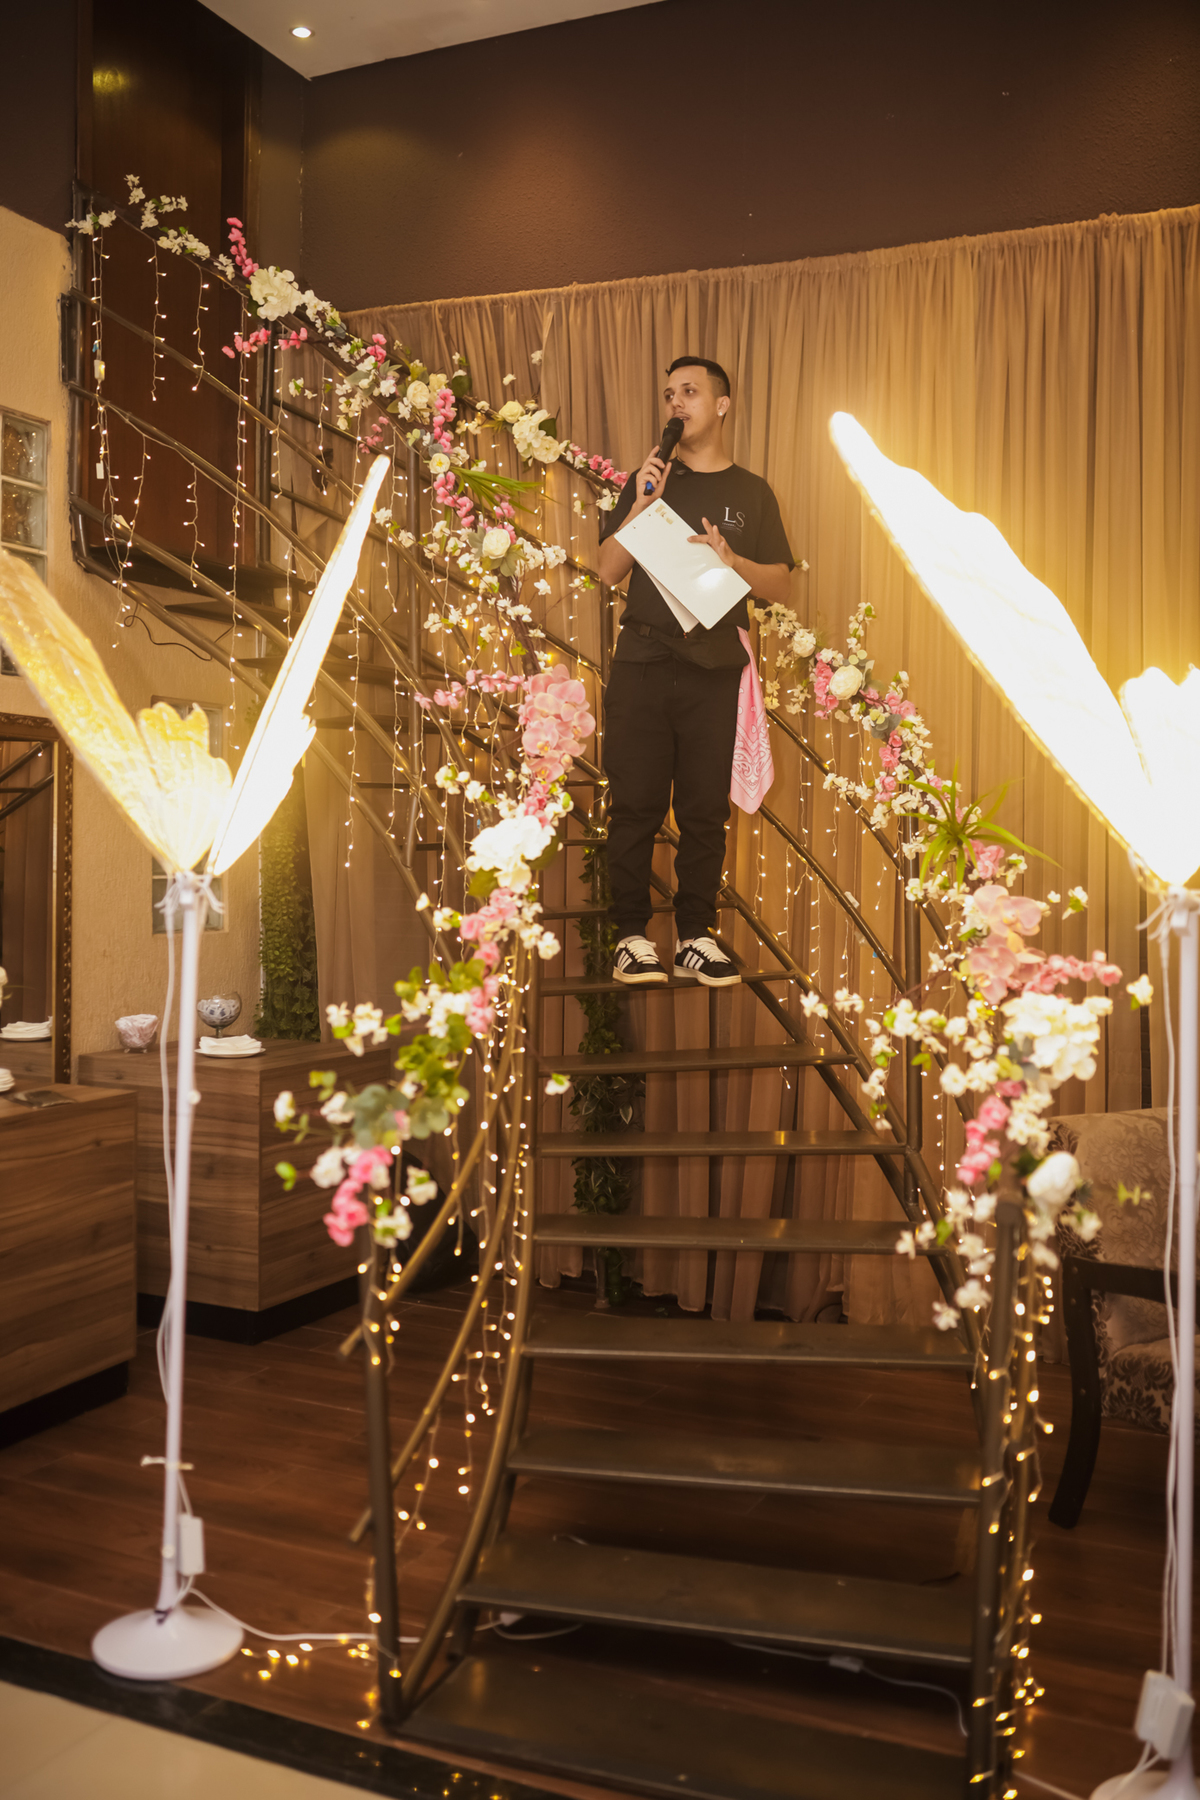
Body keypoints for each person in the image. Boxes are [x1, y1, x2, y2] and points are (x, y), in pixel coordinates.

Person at [597, 356, 794, 988]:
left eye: (689, 391)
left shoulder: (752, 492)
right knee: (634, 805)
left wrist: (734, 561)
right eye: (669, 395)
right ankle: (630, 936)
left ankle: (695, 936)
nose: (676, 403)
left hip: (714, 666)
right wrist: (641, 504)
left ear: (722, 404)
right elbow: (606, 570)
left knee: (705, 811)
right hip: (644, 662)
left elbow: (780, 585)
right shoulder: (649, 480)